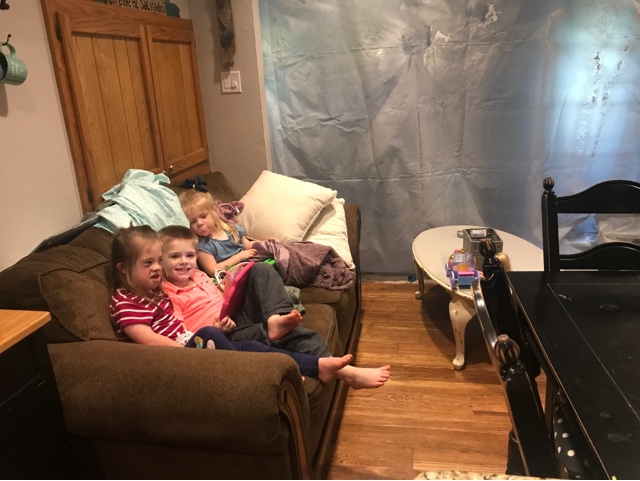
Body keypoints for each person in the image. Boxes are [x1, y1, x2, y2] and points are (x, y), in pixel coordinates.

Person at [109, 224, 391, 389]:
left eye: (159, 261)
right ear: (123, 268)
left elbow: (215, 291)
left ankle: (276, 319)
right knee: (252, 343)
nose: (157, 268)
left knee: (259, 270)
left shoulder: (159, 289)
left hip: (225, 321)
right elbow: (151, 339)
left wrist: (230, 287)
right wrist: (193, 345)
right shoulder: (133, 299)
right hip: (200, 342)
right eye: (149, 263)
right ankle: (333, 370)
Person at [179, 189, 256, 276]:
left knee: (262, 267)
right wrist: (239, 257)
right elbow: (213, 270)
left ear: (214, 213)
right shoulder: (202, 246)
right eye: (192, 221)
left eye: (203, 216)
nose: (199, 223)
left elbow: (248, 245)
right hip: (233, 278)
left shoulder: (231, 229)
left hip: (250, 267)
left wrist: (265, 243)